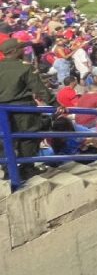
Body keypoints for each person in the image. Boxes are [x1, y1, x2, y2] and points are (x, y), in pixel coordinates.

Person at [0, 39, 56, 180]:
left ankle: (8, 170)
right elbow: (39, 89)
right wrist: (55, 104)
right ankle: (27, 169)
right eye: (20, 48)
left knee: (4, 139)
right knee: (28, 138)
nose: (24, 51)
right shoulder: (25, 67)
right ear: (13, 51)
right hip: (23, 109)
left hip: (2, 110)